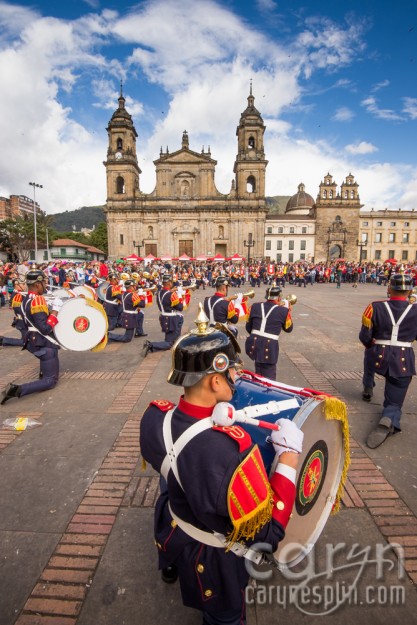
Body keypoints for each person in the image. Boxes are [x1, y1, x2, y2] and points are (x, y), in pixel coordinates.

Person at [140, 311, 303, 625]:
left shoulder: (154, 417)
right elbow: (267, 535)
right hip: (211, 560)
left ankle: (170, 568)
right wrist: (288, 460)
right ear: (216, 380)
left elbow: (176, 468)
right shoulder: (230, 454)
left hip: (173, 527)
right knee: (224, 618)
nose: (236, 378)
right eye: (233, 372)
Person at [360, 273, 417, 448]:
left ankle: (368, 386)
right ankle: (389, 416)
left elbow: (364, 336)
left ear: (389, 288)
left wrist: (370, 344)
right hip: (402, 358)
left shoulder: (375, 307)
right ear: (409, 291)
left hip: (378, 355)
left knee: (368, 356)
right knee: (395, 397)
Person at [0, 270, 63, 405]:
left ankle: (43, 372)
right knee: (50, 381)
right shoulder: (37, 301)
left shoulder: (25, 299)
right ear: (38, 284)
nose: (46, 285)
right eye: (44, 283)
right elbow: (45, 329)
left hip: (32, 340)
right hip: (44, 343)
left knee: (46, 363)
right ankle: (17, 390)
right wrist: (56, 310)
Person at [245, 284, 293, 380]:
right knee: (269, 379)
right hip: (269, 347)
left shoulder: (254, 306)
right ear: (279, 298)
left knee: (258, 372)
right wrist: (288, 312)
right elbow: (289, 329)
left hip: (254, 343)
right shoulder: (283, 311)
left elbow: (248, 327)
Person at [142, 274, 184, 357]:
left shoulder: (160, 292)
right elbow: (180, 307)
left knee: (171, 337)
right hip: (171, 318)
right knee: (169, 344)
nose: (172, 284)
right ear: (168, 283)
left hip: (164, 316)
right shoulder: (171, 294)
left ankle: (175, 341)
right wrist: (179, 295)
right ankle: (151, 345)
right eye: (171, 282)